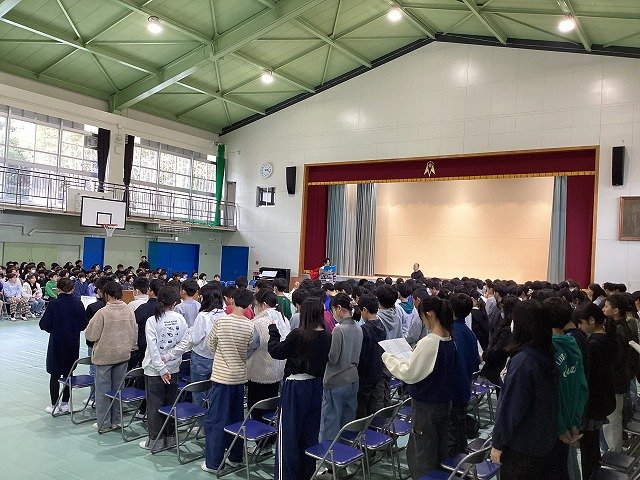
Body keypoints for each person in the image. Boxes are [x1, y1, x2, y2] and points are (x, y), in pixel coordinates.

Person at [383, 295, 456, 478]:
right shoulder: (449, 339)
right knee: (439, 448)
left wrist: (388, 358)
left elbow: (409, 374)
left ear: (430, 314)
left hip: (426, 407)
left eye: (422, 317)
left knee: (423, 452)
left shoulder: (429, 342)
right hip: (444, 403)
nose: (422, 321)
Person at [490, 300, 559, 480]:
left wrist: (498, 443)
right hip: (542, 440)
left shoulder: (523, 361)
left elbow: (512, 407)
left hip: (521, 446)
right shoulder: (546, 354)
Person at [268, 297, 332, 480]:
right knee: (309, 434)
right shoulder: (328, 336)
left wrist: (273, 331)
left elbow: (276, 351)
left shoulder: (299, 335)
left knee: (289, 435)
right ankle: (306, 474)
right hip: (316, 386)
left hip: (295, 387)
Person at [201, 288, 256, 473]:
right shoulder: (250, 325)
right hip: (239, 377)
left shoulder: (221, 321)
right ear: (249, 305)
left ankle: (214, 463)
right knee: (236, 419)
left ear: (231, 301)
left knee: (216, 420)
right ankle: (235, 456)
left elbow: (210, 344)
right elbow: (250, 348)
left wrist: (222, 353)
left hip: (221, 377)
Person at [543, 297, 588, 480]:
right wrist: (575, 421)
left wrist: (561, 426)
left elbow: (552, 395)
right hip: (570, 421)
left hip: (555, 427)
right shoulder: (573, 344)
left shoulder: (549, 349)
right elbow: (582, 387)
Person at [140, 286, 188, 451]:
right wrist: (168, 358)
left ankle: (156, 441)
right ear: (175, 302)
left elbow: (153, 349)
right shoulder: (180, 319)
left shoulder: (153, 321)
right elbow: (184, 343)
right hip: (172, 368)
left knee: (154, 407)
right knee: (170, 405)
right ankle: (170, 438)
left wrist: (161, 367)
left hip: (155, 370)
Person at [85, 281, 137, 432]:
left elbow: (91, 335)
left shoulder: (102, 313)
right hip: (123, 355)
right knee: (118, 390)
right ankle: (116, 420)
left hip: (104, 356)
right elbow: (134, 332)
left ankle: (104, 423)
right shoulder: (129, 310)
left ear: (106, 295)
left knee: (103, 392)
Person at [573, 302, 617, 480]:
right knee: (592, 446)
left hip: (593, 402)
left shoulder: (594, 344)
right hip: (603, 398)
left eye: (581, 323)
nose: (580, 328)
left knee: (588, 449)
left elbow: (589, 376)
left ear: (591, 320)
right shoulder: (607, 337)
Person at [247, 289, 291, 445]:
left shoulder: (258, 323)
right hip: (277, 371)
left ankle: (260, 442)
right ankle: (269, 440)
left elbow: (249, 347)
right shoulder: (283, 319)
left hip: (260, 371)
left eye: (256, 304)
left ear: (263, 305)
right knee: (271, 408)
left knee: (257, 409)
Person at [319, 293, 363, 442]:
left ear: (338, 308)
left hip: (336, 381)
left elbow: (333, 358)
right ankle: (345, 452)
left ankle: (329, 454)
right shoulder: (358, 328)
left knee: (331, 424)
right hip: (353, 379)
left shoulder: (339, 330)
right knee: (347, 424)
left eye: (332, 310)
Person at [39, 278, 87, 414]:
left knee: (54, 375)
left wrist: (54, 328)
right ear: (73, 289)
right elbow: (83, 324)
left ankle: (54, 406)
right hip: (72, 343)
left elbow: (44, 324)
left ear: (58, 289)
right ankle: (65, 404)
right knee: (69, 374)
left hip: (57, 343)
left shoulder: (54, 304)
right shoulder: (78, 304)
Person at [602, 294, 637, 452]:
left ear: (615, 311)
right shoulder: (623, 326)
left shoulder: (619, 330)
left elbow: (617, 359)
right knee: (614, 417)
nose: (604, 309)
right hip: (621, 378)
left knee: (612, 419)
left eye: (606, 307)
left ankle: (614, 453)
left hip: (616, 380)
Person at [449, 293, 480, 456]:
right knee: (459, 428)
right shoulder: (469, 333)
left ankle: (455, 463)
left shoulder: (453, 334)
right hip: (465, 386)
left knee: (452, 432)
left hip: (454, 390)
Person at [356, 294, 386, 418]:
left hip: (364, 373)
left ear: (364, 310)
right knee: (375, 406)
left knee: (362, 407)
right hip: (378, 370)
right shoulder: (382, 326)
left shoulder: (364, 329)